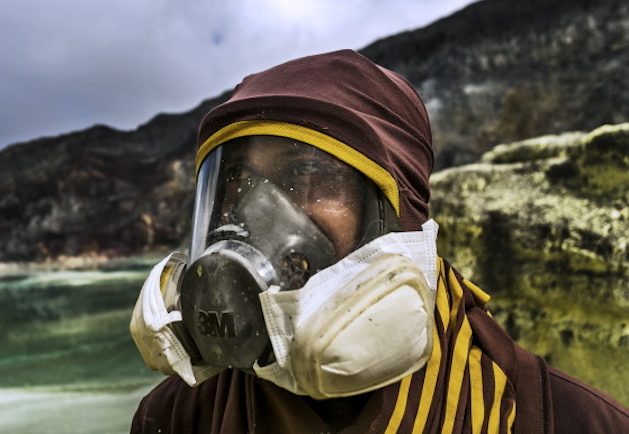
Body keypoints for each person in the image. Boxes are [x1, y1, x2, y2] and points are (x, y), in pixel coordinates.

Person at [129, 50, 629, 433]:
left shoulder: (562, 420)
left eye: (305, 174)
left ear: (400, 214)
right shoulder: (176, 415)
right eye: (236, 185)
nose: (258, 215)